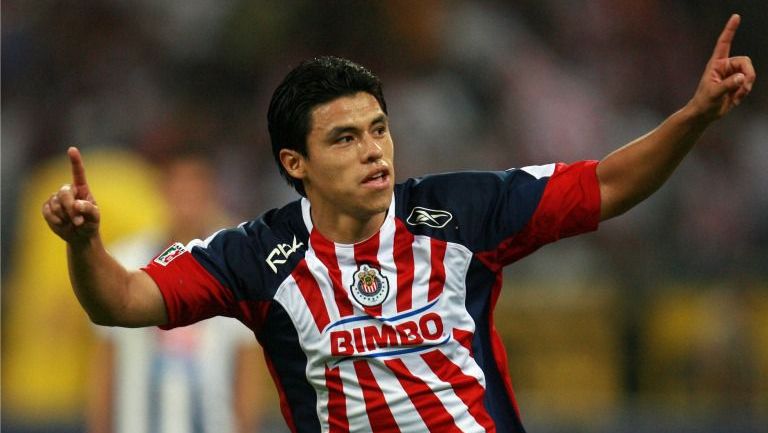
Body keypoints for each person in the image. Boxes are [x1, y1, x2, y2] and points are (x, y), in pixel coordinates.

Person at [42, 14, 755, 433]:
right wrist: (84, 245)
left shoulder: (462, 212)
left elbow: (607, 184)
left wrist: (690, 119)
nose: (374, 150)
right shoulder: (258, 255)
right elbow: (124, 300)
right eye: (345, 138)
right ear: (296, 162)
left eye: (379, 129)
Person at [86, 154, 264, 433]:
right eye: (180, 189)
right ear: (163, 191)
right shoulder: (126, 260)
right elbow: (107, 363)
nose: (187, 200)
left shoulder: (237, 268)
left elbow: (246, 369)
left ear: (211, 194)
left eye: (196, 189)